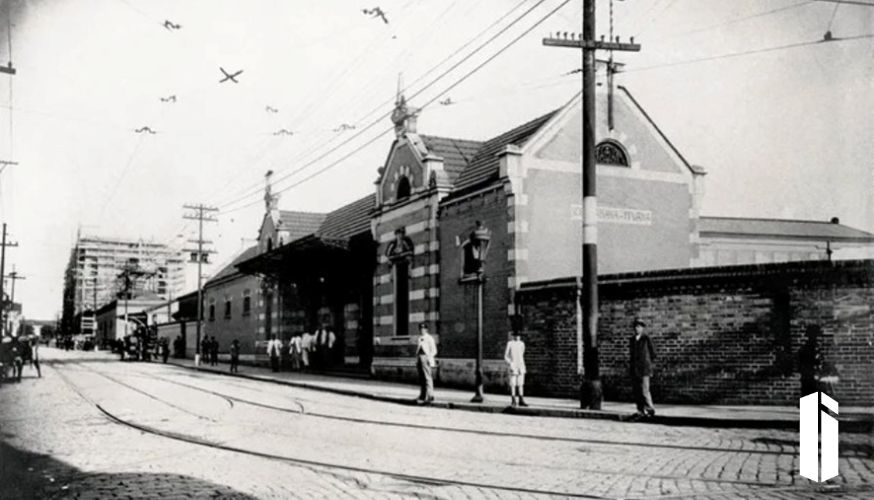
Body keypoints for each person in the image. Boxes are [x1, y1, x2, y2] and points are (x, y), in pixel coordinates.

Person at [629, 318, 656, 417]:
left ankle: (650, 409)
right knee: (637, 390)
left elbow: (653, 353)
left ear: (642, 328)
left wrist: (647, 363)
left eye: (639, 327)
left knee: (645, 390)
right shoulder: (632, 340)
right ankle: (640, 409)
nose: (637, 329)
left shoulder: (646, 339)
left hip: (644, 369)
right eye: (635, 326)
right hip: (635, 369)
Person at [504, 331, 528, 407]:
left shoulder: (522, 344)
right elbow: (506, 356)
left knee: (521, 384)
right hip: (513, 366)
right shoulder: (510, 343)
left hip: (520, 365)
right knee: (513, 384)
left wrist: (521, 363)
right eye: (516, 335)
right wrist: (510, 363)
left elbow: (522, 353)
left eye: (519, 335)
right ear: (513, 336)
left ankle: (521, 399)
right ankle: (513, 400)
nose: (517, 337)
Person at [415, 323, 437, 404]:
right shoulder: (419, 338)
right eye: (420, 329)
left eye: (424, 329)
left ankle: (430, 396)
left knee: (428, 377)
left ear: (426, 330)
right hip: (419, 358)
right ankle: (423, 395)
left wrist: (428, 358)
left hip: (426, 358)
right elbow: (418, 350)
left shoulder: (429, 338)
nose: (422, 330)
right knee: (421, 378)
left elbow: (434, 350)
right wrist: (417, 359)